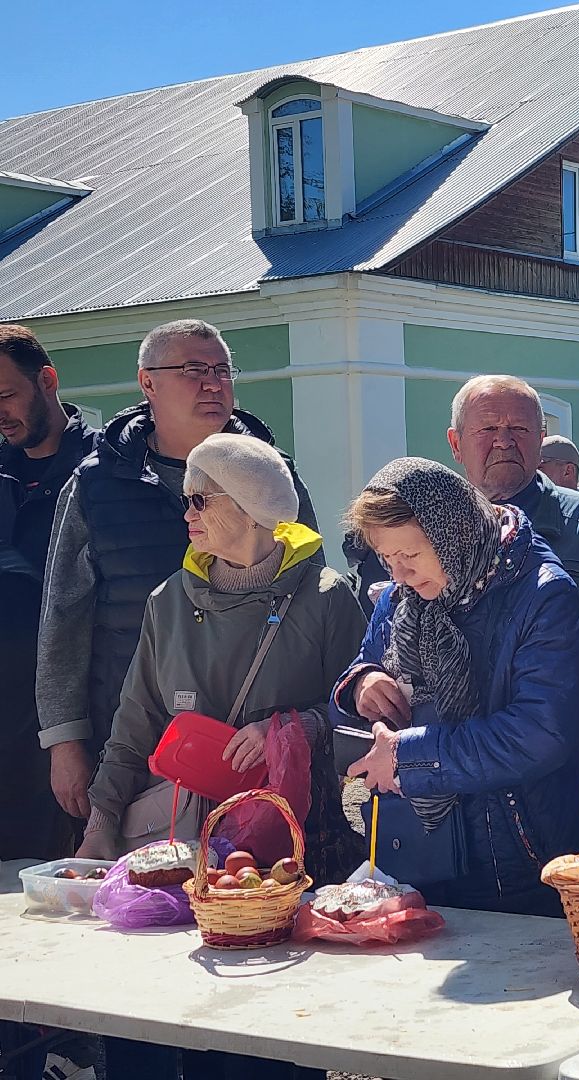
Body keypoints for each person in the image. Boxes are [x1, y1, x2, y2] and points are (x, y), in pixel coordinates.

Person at [76, 433, 361, 1080]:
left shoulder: (327, 597)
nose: (187, 514)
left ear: (251, 505)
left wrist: (292, 727)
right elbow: (135, 723)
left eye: (201, 498)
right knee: (190, 1020)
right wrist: (100, 821)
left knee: (269, 1041)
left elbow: (358, 711)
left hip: (283, 859)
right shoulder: (169, 601)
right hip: (181, 852)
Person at [37, 319, 319, 831]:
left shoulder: (273, 473)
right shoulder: (98, 483)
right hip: (131, 739)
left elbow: (310, 594)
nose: (213, 384)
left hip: (253, 748)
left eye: (222, 371)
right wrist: (64, 738)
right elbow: (63, 616)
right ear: (148, 383)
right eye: (194, 370)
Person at [334, 457, 579, 914]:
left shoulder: (543, 594)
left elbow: (539, 735)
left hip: (514, 858)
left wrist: (408, 756)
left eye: (409, 556)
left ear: (451, 533)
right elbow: (366, 663)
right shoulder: (401, 596)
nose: (399, 575)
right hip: (415, 848)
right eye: (387, 559)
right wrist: (362, 685)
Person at [445, 375, 579, 781]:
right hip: (455, 781)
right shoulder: (427, 529)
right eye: (488, 428)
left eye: (520, 429)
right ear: (456, 443)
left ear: (541, 439)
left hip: (570, 774)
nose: (504, 441)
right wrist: (365, 680)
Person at [0, 325, 100, 860]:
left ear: (48, 380)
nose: (0, 414)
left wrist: (70, 737)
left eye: (5, 396)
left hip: (78, 725)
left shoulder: (106, 472)